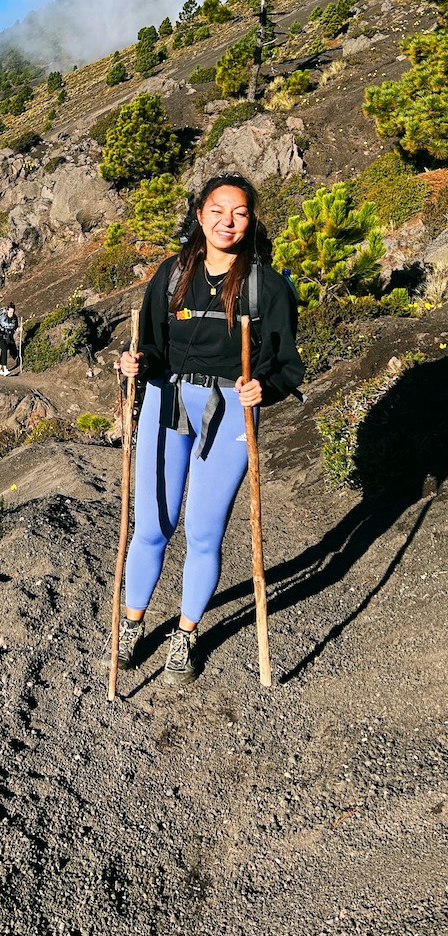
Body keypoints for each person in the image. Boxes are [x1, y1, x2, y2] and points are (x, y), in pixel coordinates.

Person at [117, 173, 304, 687]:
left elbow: (286, 363)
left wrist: (263, 387)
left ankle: (185, 632)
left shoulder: (267, 286)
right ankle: (132, 624)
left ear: (250, 222)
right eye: (218, 210)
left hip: (230, 410)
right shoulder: (172, 274)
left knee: (203, 529)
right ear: (199, 216)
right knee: (153, 524)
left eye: (239, 213)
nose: (228, 221)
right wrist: (136, 363)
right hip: (166, 398)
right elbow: (153, 345)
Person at [0, 303, 20, 375]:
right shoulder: (2, 316)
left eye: (13, 312)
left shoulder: (14, 318)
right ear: (7, 311)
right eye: (10, 312)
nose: (11, 313)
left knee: (5, 351)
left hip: (9, 336)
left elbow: (15, 328)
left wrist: (19, 329)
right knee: (4, 349)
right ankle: (5, 369)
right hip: (0, 335)